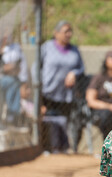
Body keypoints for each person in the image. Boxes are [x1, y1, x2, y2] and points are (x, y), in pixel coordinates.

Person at [40, 20, 85, 153]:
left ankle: (64, 149)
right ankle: (46, 148)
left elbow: (81, 68)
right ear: (56, 33)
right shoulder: (46, 47)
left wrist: (73, 73)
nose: (69, 34)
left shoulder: (74, 50)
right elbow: (36, 67)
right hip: (47, 91)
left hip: (66, 94)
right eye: (66, 31)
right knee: (47, 121)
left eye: (70, 31)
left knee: (64, 122)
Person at [86, 49, 112, 140]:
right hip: (103, 110)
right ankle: (109, 145)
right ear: (107, 61)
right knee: (107, 115)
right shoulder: (99, 78)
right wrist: (109, 106)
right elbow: (91, 101)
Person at [0, 40, 29, 127]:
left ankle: (13, 116)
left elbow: (16, 67)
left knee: (12, 81)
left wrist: (24, 85)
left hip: (11, 80)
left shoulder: (15, 48)